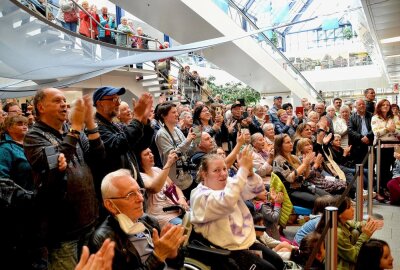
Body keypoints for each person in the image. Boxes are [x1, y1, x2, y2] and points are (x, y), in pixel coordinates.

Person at [24, 88, 104, 269]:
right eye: (57, 100)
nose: (64, 104)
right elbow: (54, 168)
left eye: (65, 100)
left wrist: (90, 122)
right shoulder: (34, 136)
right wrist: (76, 128)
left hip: (89, 221)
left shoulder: (69, 129)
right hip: (62, 229)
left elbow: (98, 157)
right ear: (41, 107)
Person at [190, 148, 284, 270]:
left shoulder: (228, 183)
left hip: (245, 242)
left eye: (224, 169)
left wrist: (250, 173)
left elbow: (256, 189)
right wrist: (243, 170)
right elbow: (227, 200)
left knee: (278, 262)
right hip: (225, 250)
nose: (223, 174)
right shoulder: (199, 196)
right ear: (204, 173)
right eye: (216, 170)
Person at [89, 169, 186, 270]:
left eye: (139, 191)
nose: (141, 199)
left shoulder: (149, 221)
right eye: (131, 195)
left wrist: (172, 253)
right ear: (110, 205)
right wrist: (158, 255)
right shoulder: (103, 240)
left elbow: (178, 265)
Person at [94, 87, 154, 208]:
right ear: (100, 103)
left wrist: (144, 120)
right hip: (119, 196)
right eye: (113, 99)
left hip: (130, 189)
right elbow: (118, 145)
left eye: (118, 99)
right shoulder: (95, 128)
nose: (118, 103)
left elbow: (141, 145)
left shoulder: (114, 125)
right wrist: (137, 118)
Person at [0, 115, 35, 269]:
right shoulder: (5, 149)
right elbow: (2, 180)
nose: (24, 126)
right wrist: (25, 196)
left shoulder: (29, 144)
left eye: (26, 124)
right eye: (19, 124)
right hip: (16, 209)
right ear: (8, 127)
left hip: (34, 204)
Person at [273, 134, 328, 209]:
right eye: (287, 142)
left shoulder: (294, 157)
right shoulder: (278, 160)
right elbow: (290, 179)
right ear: (280, 146)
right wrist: (304, 164)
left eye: (291, 142)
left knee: (328, 197)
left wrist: (307, 164)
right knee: (321, 202)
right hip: (291, 190)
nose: (291, 144)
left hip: (303, 185)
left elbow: (306, 176)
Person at [155, 102, 197, 199]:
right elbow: (172, 156)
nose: (177, 114)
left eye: (176, 112)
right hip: (175, 182)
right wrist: (187, 141)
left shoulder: (177, 130)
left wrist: (195, 143)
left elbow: (187, 151)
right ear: (163, 115)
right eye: (173, 112)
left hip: (187, 178)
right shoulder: (161, 134)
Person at [138, 148, 188, 227]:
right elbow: (154, 188)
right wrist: (169, 163)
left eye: (151, 152)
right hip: (161, 215)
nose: (151, 155)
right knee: (185, 227)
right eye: (146, 154)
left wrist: (181, 198)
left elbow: (174, 186)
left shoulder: (157, 170)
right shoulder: (140, 176)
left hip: (177, 208)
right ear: (139, 160)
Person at [371, 99, 400, 199]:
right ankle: (379, 191)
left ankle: (388, 190)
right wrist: (388, 129)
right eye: (383, 105)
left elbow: (399, 132)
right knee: (380, 170)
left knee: (390, 170)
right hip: (380, 148)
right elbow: (376, 133)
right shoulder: (375, 118)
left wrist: (393, 130)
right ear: (379, 106)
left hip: (393, 147)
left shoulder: (395, 117)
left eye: (388, 105)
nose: (386, 106)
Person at [348, 99, 374, 165]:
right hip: (357, 144)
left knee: (371, 163)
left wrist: (368, 136)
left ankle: (371, 175)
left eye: (363, 104)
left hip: (370, 142)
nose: (362, 106)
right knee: (359, 164)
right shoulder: (352, 117)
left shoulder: (371, 116)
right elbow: (350, 130)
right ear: (355, 107)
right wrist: (361, 137)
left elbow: (374, 128)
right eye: (359, 104)